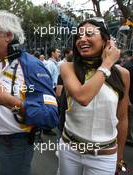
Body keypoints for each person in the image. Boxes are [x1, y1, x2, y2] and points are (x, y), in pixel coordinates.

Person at [0, 10, 58, 175]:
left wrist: (8, 102)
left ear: (8, 35)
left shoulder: (32, 66)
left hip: (15, 144)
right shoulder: (2, 63)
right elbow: (4, 94)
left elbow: (50, 116)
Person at [59, 19, 129, 175]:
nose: (82, 39)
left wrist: (120, 156)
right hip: (69, 149)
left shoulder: (123, 75)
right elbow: (83, 98)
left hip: (104, 156)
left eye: (89, 34)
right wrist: (107, 64)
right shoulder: (67, 67)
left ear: (106, 40)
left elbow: (122, 118)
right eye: (78, 36)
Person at [122, 50, 133, 145]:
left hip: (129, 97)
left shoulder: (127, 66)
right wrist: (127, 99)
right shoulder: (128, 66)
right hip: (128, 98)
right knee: (127, 118)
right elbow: (124, 85)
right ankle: (128, 138)